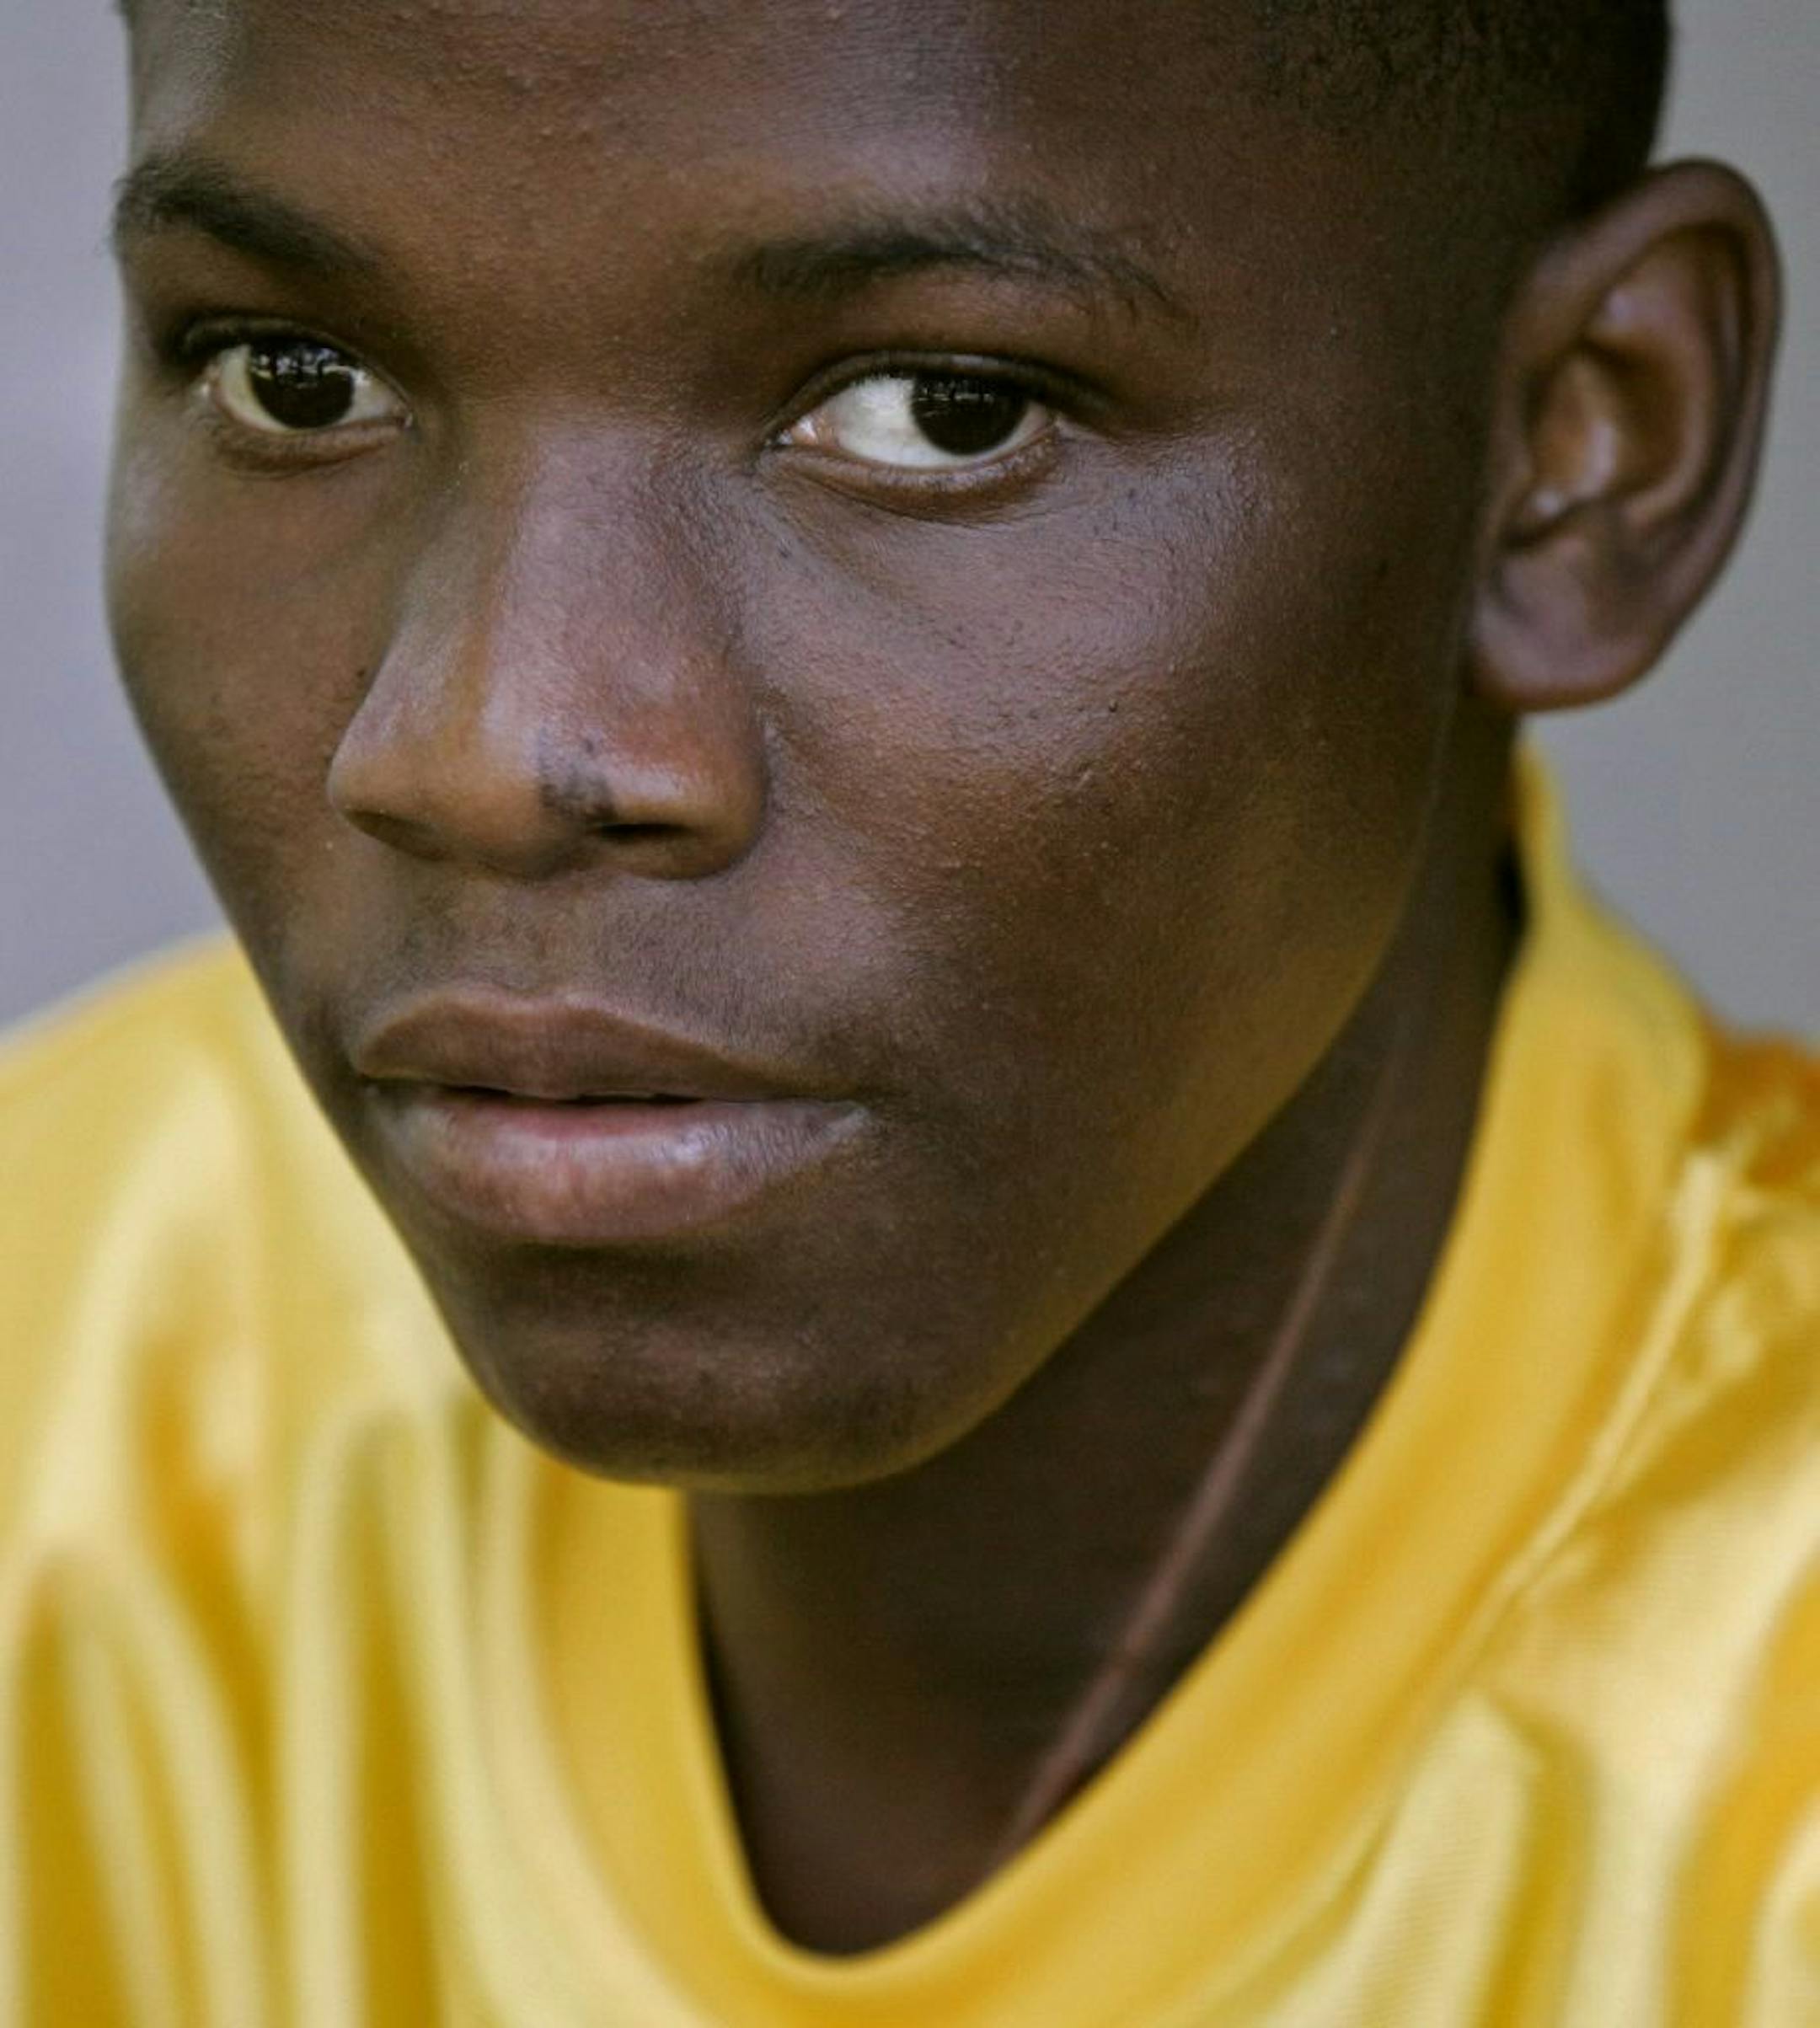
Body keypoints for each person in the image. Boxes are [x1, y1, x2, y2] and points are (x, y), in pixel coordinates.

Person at [1, 0, 1810, 2019]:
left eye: (941, 415)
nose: (486, 749)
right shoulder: (56, 1362)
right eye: (295, 377)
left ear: (1582, 443)